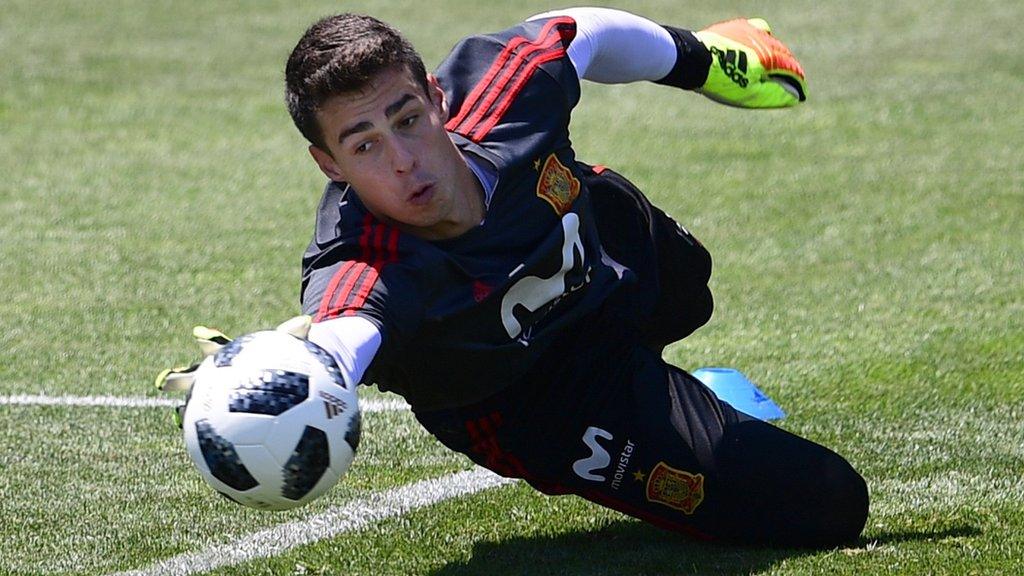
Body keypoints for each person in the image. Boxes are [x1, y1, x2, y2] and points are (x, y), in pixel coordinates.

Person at [169, 7, 868, 547]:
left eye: (408, 119)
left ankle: (674, 388)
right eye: (364, 145)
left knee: (690, 284)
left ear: (437, 98)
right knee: (828, 503)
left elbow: (580, 32)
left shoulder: (502, 94)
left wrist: (709, 59)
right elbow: (350, 326)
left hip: (607, 262)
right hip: (541, 402)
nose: (405, 160)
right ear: (330, 166)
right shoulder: (363, 261)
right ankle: (677, 408)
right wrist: (301, 367)